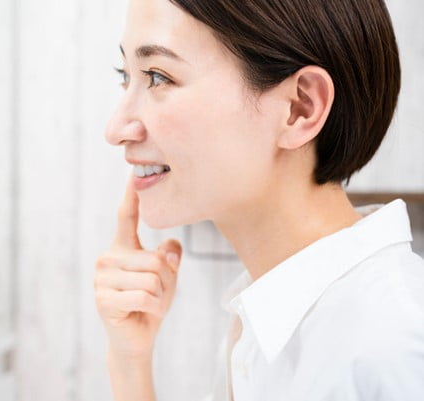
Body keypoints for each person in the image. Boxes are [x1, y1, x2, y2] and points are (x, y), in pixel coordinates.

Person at [93, 0, 424, 400]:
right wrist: (129, 362)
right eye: (125, 76)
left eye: (158, 77)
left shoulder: (394, 346)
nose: (116, 129)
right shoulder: (263, 325)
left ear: (300, 107)